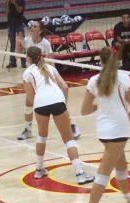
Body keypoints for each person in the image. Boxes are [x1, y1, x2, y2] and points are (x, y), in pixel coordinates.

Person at [79, 47, 130, 203]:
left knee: (121, 165)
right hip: (119, 131)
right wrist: (127, 117)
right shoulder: (124, 78)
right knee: (103, 174)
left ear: (100, 60)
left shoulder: (94, 81)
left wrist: (101, 105)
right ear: (117, 60)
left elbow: (84, 110)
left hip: (103, 131)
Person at [23, 46, 94, 185]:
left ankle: (38, 170)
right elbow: (65, 87)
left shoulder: (27, 73)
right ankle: (80, 173)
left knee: (42, 136)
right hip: (57, 100)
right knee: (68, 140)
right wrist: (63, 106)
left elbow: (30, 99)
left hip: (41, 102)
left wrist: (40, 101)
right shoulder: (51, 68)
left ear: (29, 58)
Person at [5, 0, 27, 68]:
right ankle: (12, 62)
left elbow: (20, 10)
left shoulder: (21, 0)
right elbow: (7, 11)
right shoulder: (8, 0)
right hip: (11, 25)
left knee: (21, 44)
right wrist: (7, 2)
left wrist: (15, 3)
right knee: (12, 44)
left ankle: (23, 62)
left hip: (19, 24)